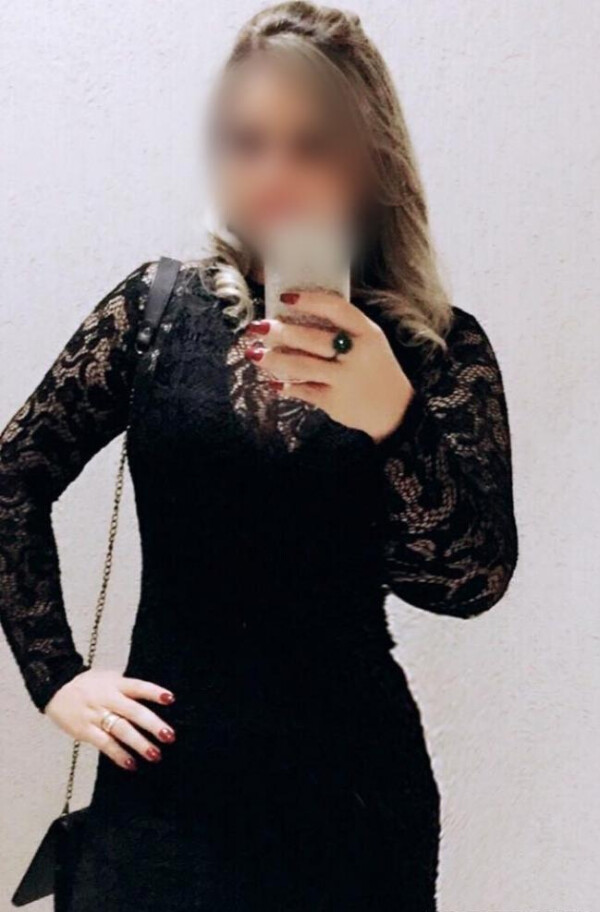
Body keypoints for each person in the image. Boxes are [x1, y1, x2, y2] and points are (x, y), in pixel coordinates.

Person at [0, 2, 518, 910]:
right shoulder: (154, 311)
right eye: (248, 142)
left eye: (310, 144)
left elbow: (472, 581)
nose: (274, 172)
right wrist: (57, 678)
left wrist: (393, 420)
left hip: (353, 804)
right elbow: (12, 478)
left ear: (372, 159)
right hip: (161, 796)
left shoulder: (437, 349)